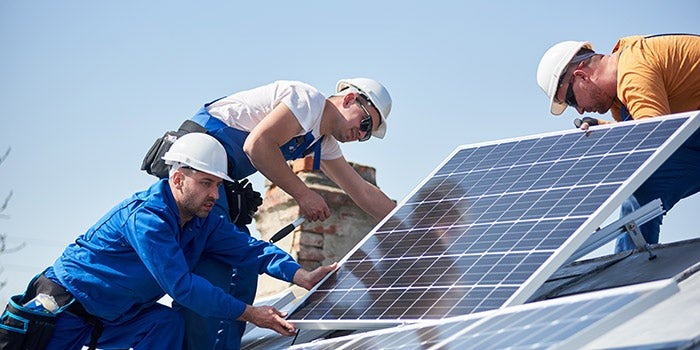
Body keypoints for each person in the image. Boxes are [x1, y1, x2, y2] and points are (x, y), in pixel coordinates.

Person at [16, 133, 336, 349]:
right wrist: (251, 313)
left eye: (218, 186)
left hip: (118, 318)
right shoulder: (147, 219)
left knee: (166, 324)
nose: (214, 194)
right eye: (207, 183)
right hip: (65, 312)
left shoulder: (203, 222)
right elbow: (182, 286)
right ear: (178, 179)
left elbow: (250, 249)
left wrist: (300, 275)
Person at [149, 78, 397, 348]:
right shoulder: (307, 101)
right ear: (349, 100)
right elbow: (257, 145)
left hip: (220, 185)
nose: (361, 135)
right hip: (197, 177)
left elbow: (361, 190)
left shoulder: (321, 141)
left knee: (243, 274)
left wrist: (412, 220)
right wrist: (303, 194)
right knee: (215, 272)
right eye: (364, 124)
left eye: (367, 134)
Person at [536, 34, 700, 252]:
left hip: (687, 135)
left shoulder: (633, 69)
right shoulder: (618, 99)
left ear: (581, 75)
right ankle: (633, 269)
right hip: (692, 134)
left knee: (642, 181)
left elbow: (656, 138)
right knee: (643, 191)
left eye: (572, 100)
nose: (580, 110)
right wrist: (605, 132)